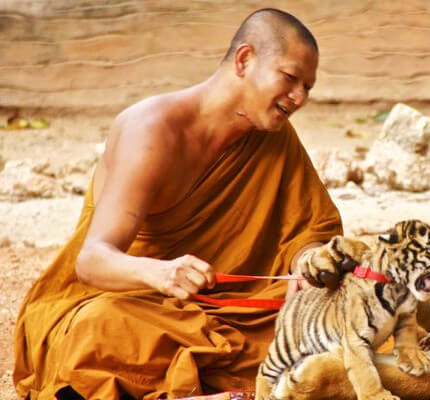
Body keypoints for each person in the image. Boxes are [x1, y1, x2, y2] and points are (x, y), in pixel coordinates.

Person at [13, 8, 344, 400]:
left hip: (231, 312)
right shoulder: (151, 129)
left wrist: (307, 264)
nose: (299, 97)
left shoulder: (274, 137)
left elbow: (309, 230)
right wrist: (162, 274)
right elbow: (93, 260)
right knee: (97, 331)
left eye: (307, 87)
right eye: (290, 78)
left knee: (339, 319)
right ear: (244, 59)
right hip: (132, 302)